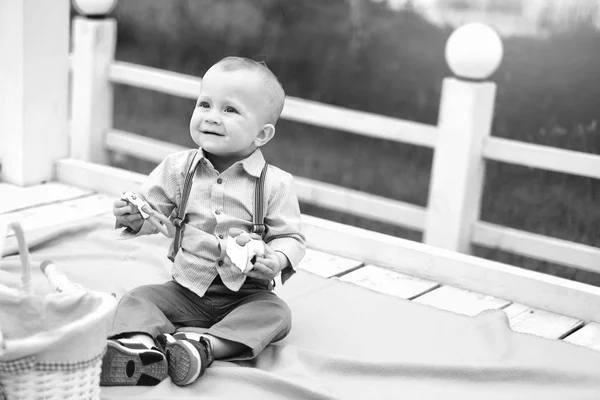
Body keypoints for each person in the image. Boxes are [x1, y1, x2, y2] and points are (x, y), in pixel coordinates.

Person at [101, 56, 306, 387]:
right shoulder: (178, 168)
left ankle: (202, 348)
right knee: (138, 298)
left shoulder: (274, 183)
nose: (212, 117)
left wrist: (276, 259)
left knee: (277, 315)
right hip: (186, 288)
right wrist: (133, 216)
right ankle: (139, 350)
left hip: (245, 294)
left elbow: (291, 237)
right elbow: (153, 214)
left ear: (262, 134)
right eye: (205, 104)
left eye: (230, 110)